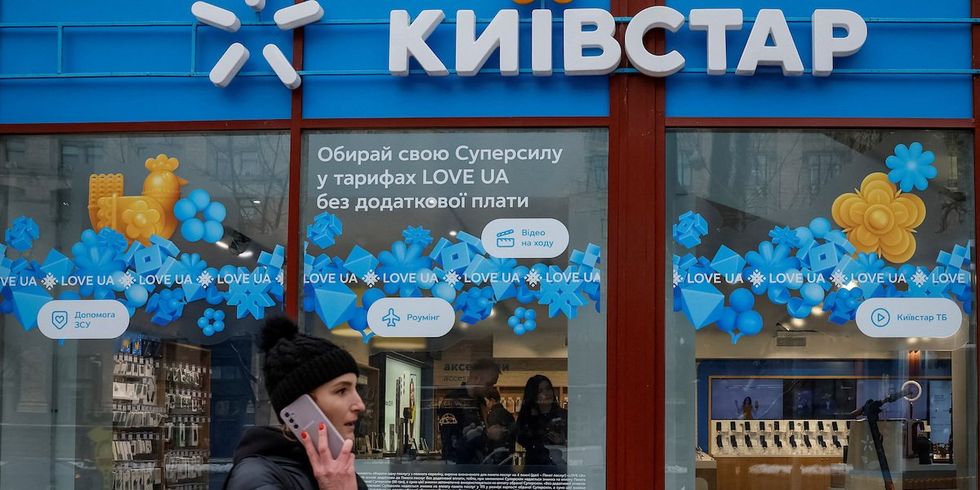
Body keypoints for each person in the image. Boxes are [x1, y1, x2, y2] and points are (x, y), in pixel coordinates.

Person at [224, 316, 368, 490]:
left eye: (355, 389)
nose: (360, 405)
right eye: (341, 391)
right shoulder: (255, 476)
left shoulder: (338, 473)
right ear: (299, 406)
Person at [437, 358, 500, 464]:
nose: (491, 389)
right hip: (459, 468)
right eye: (489, 384)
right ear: (476, 379)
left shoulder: (480, 402)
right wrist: (487, 435)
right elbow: (451, 446)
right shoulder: (453, 401)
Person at [516, 375, 568, 468]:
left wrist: (563, 441)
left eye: (548, 389)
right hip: (535, 467)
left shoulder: (563, 415)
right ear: (533, 395)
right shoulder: (528, 418)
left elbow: (578, 443)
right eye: (540, 391)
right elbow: (521, 440)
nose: (546, 394)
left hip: (560, 465)